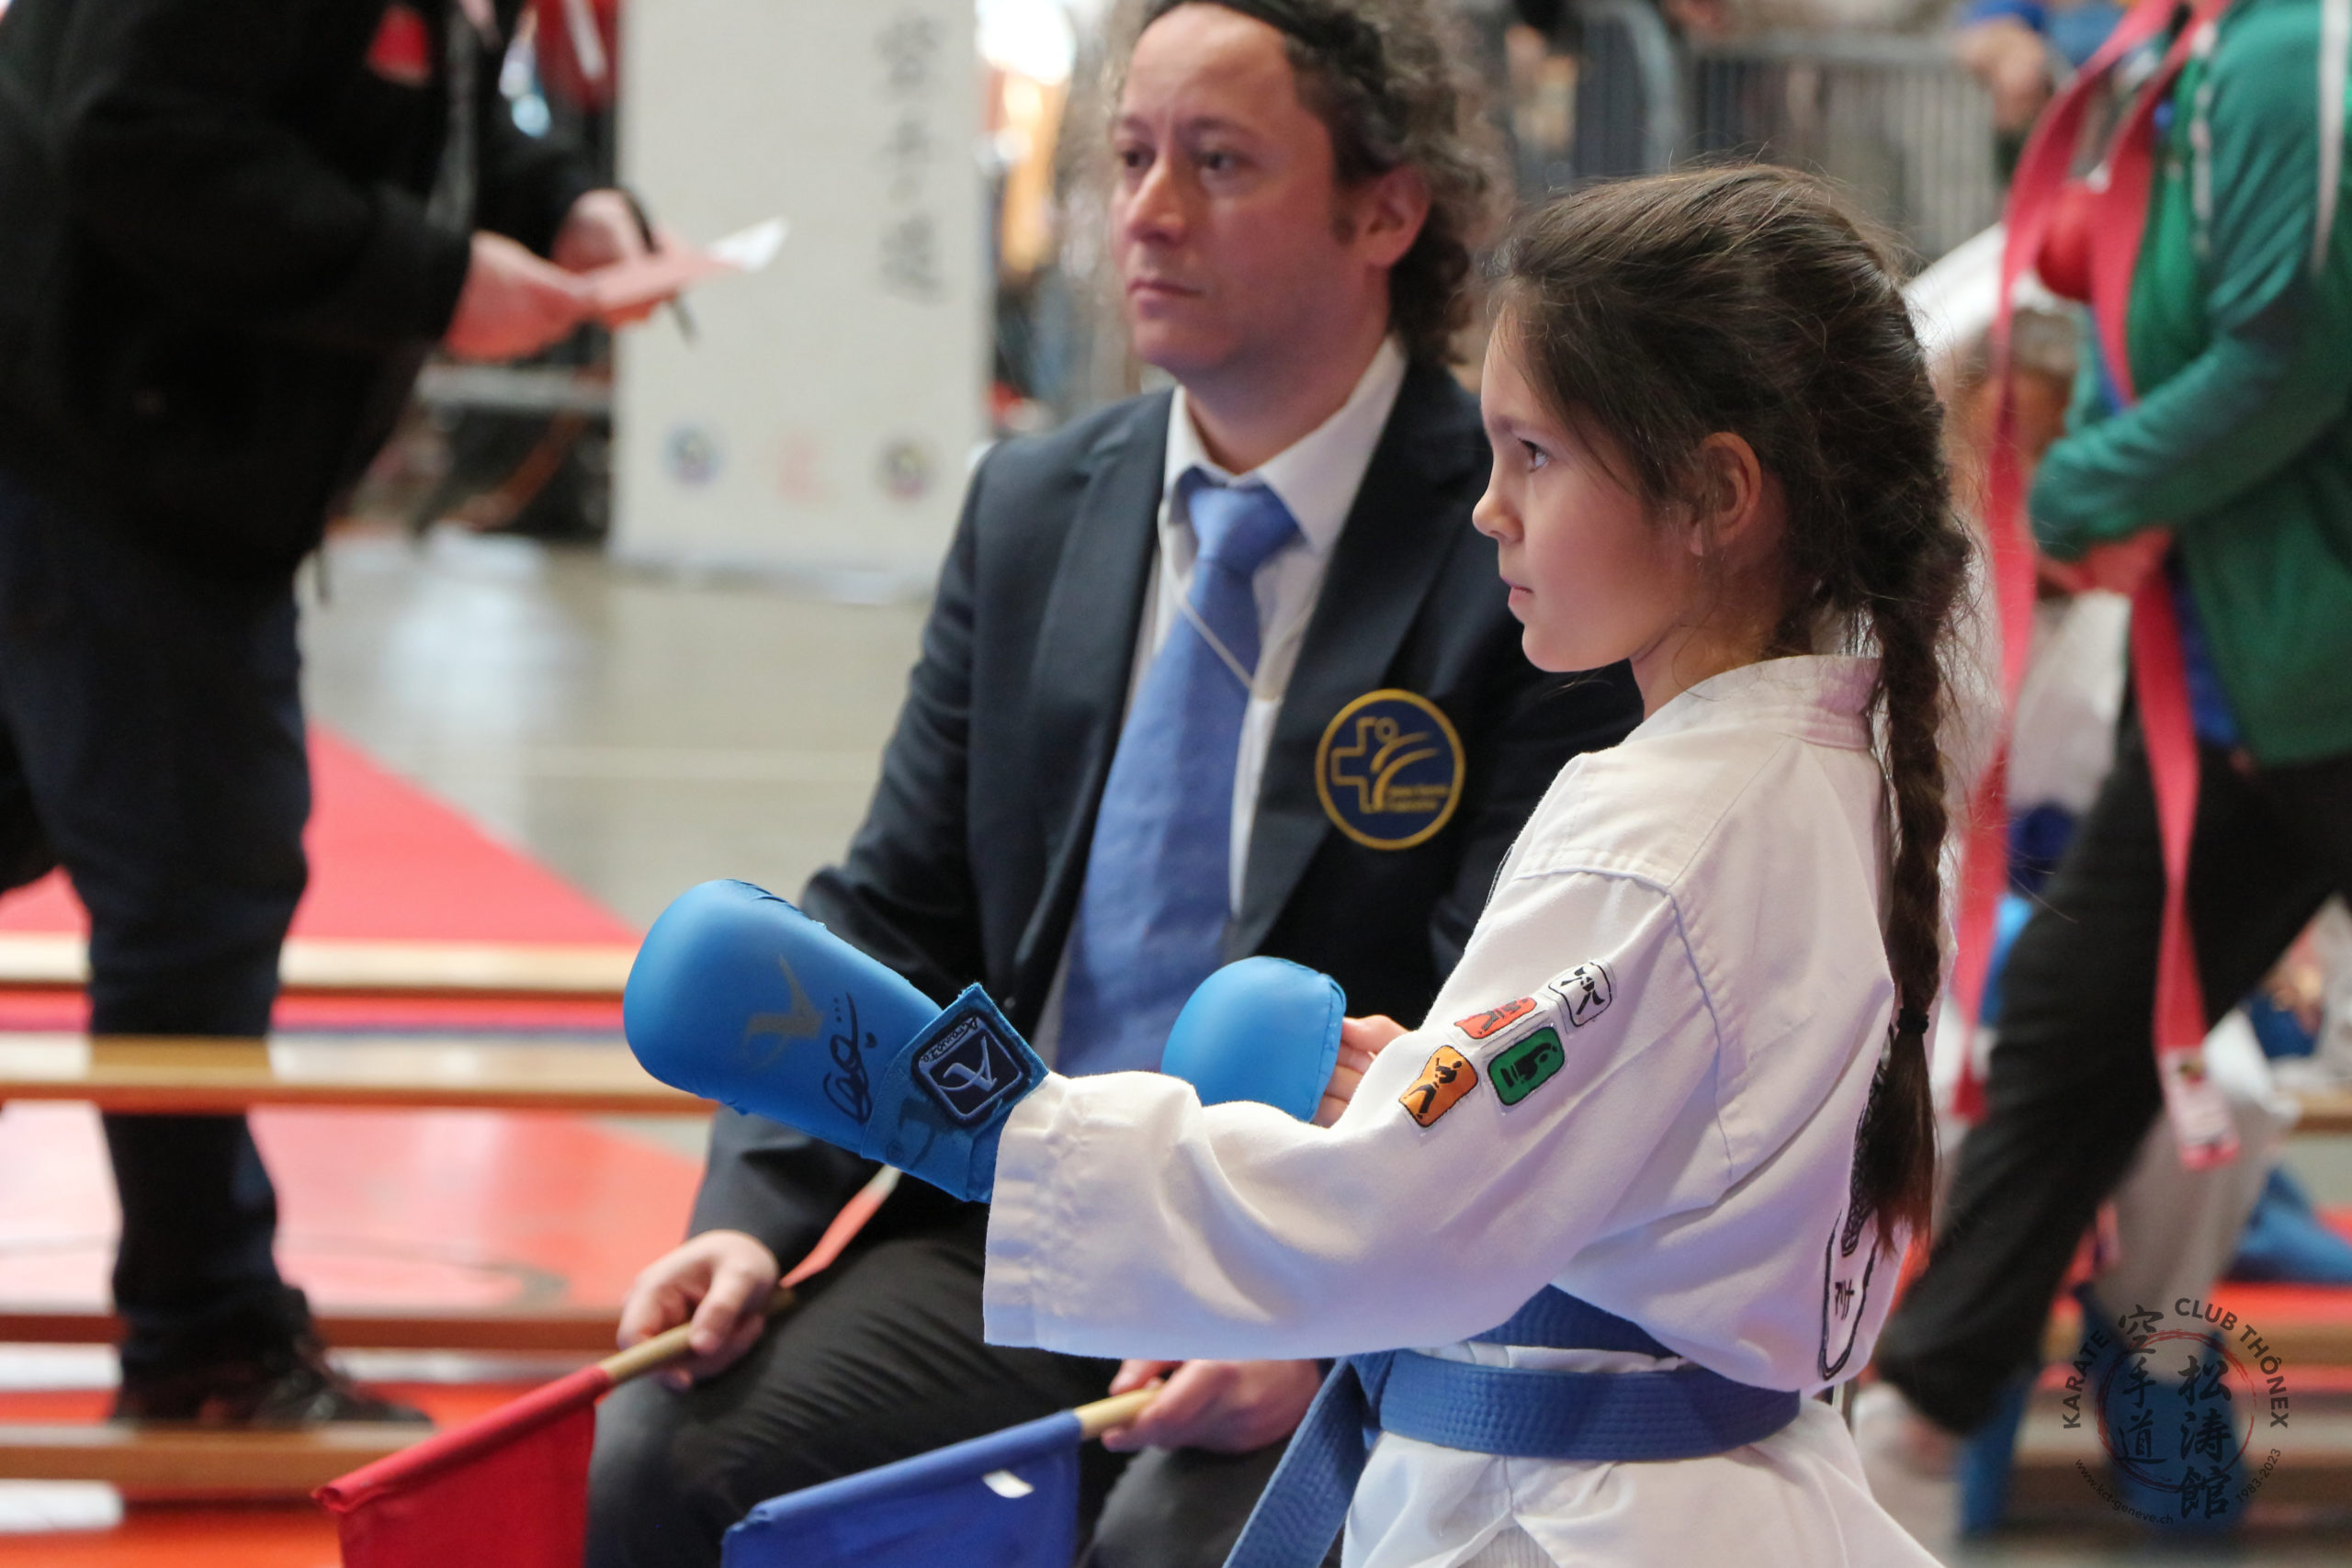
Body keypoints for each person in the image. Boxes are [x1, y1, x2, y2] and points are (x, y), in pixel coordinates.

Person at [622, 164, 1974, 1566]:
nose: (1490, 510)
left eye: (1536, 456)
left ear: (1716, 494)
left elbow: (1387, 1224)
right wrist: (1424, 1080)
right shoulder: (1825, 773)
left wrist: (978, 1123)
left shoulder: (1660, 842)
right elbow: (1650, 1143)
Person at [586, 2, 1642, 1562]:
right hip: (1038, 1206)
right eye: (1133, 154)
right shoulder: (1033, 506)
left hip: (1332, 1252)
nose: (1145, 210)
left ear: (1385, 211)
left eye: (1218, 163)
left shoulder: (1514, 534)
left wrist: (1335, 1317)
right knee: (668, 1460)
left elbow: (1504, 1013)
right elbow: (894, 914)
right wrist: (748, 1224)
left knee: (1170, 1542)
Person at [0, 0, 653, 1422]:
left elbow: (425, 105)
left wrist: (563, 200)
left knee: (141, 865)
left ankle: (204, 1330)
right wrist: (428, 277)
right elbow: (135, 130)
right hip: (102, 455)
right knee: (197, 892)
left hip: (135, 443)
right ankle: (206, 1344)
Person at [1871, 0, 2352, 1455]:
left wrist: (2085, 488)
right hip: (2236, 677)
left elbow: (2288, 344)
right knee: (2071, 1029)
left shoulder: (2289, 46)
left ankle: (2110, 1393)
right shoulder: (2191, 51)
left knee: (2185, 1082)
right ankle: (1917, 1427)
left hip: (2300, 668)